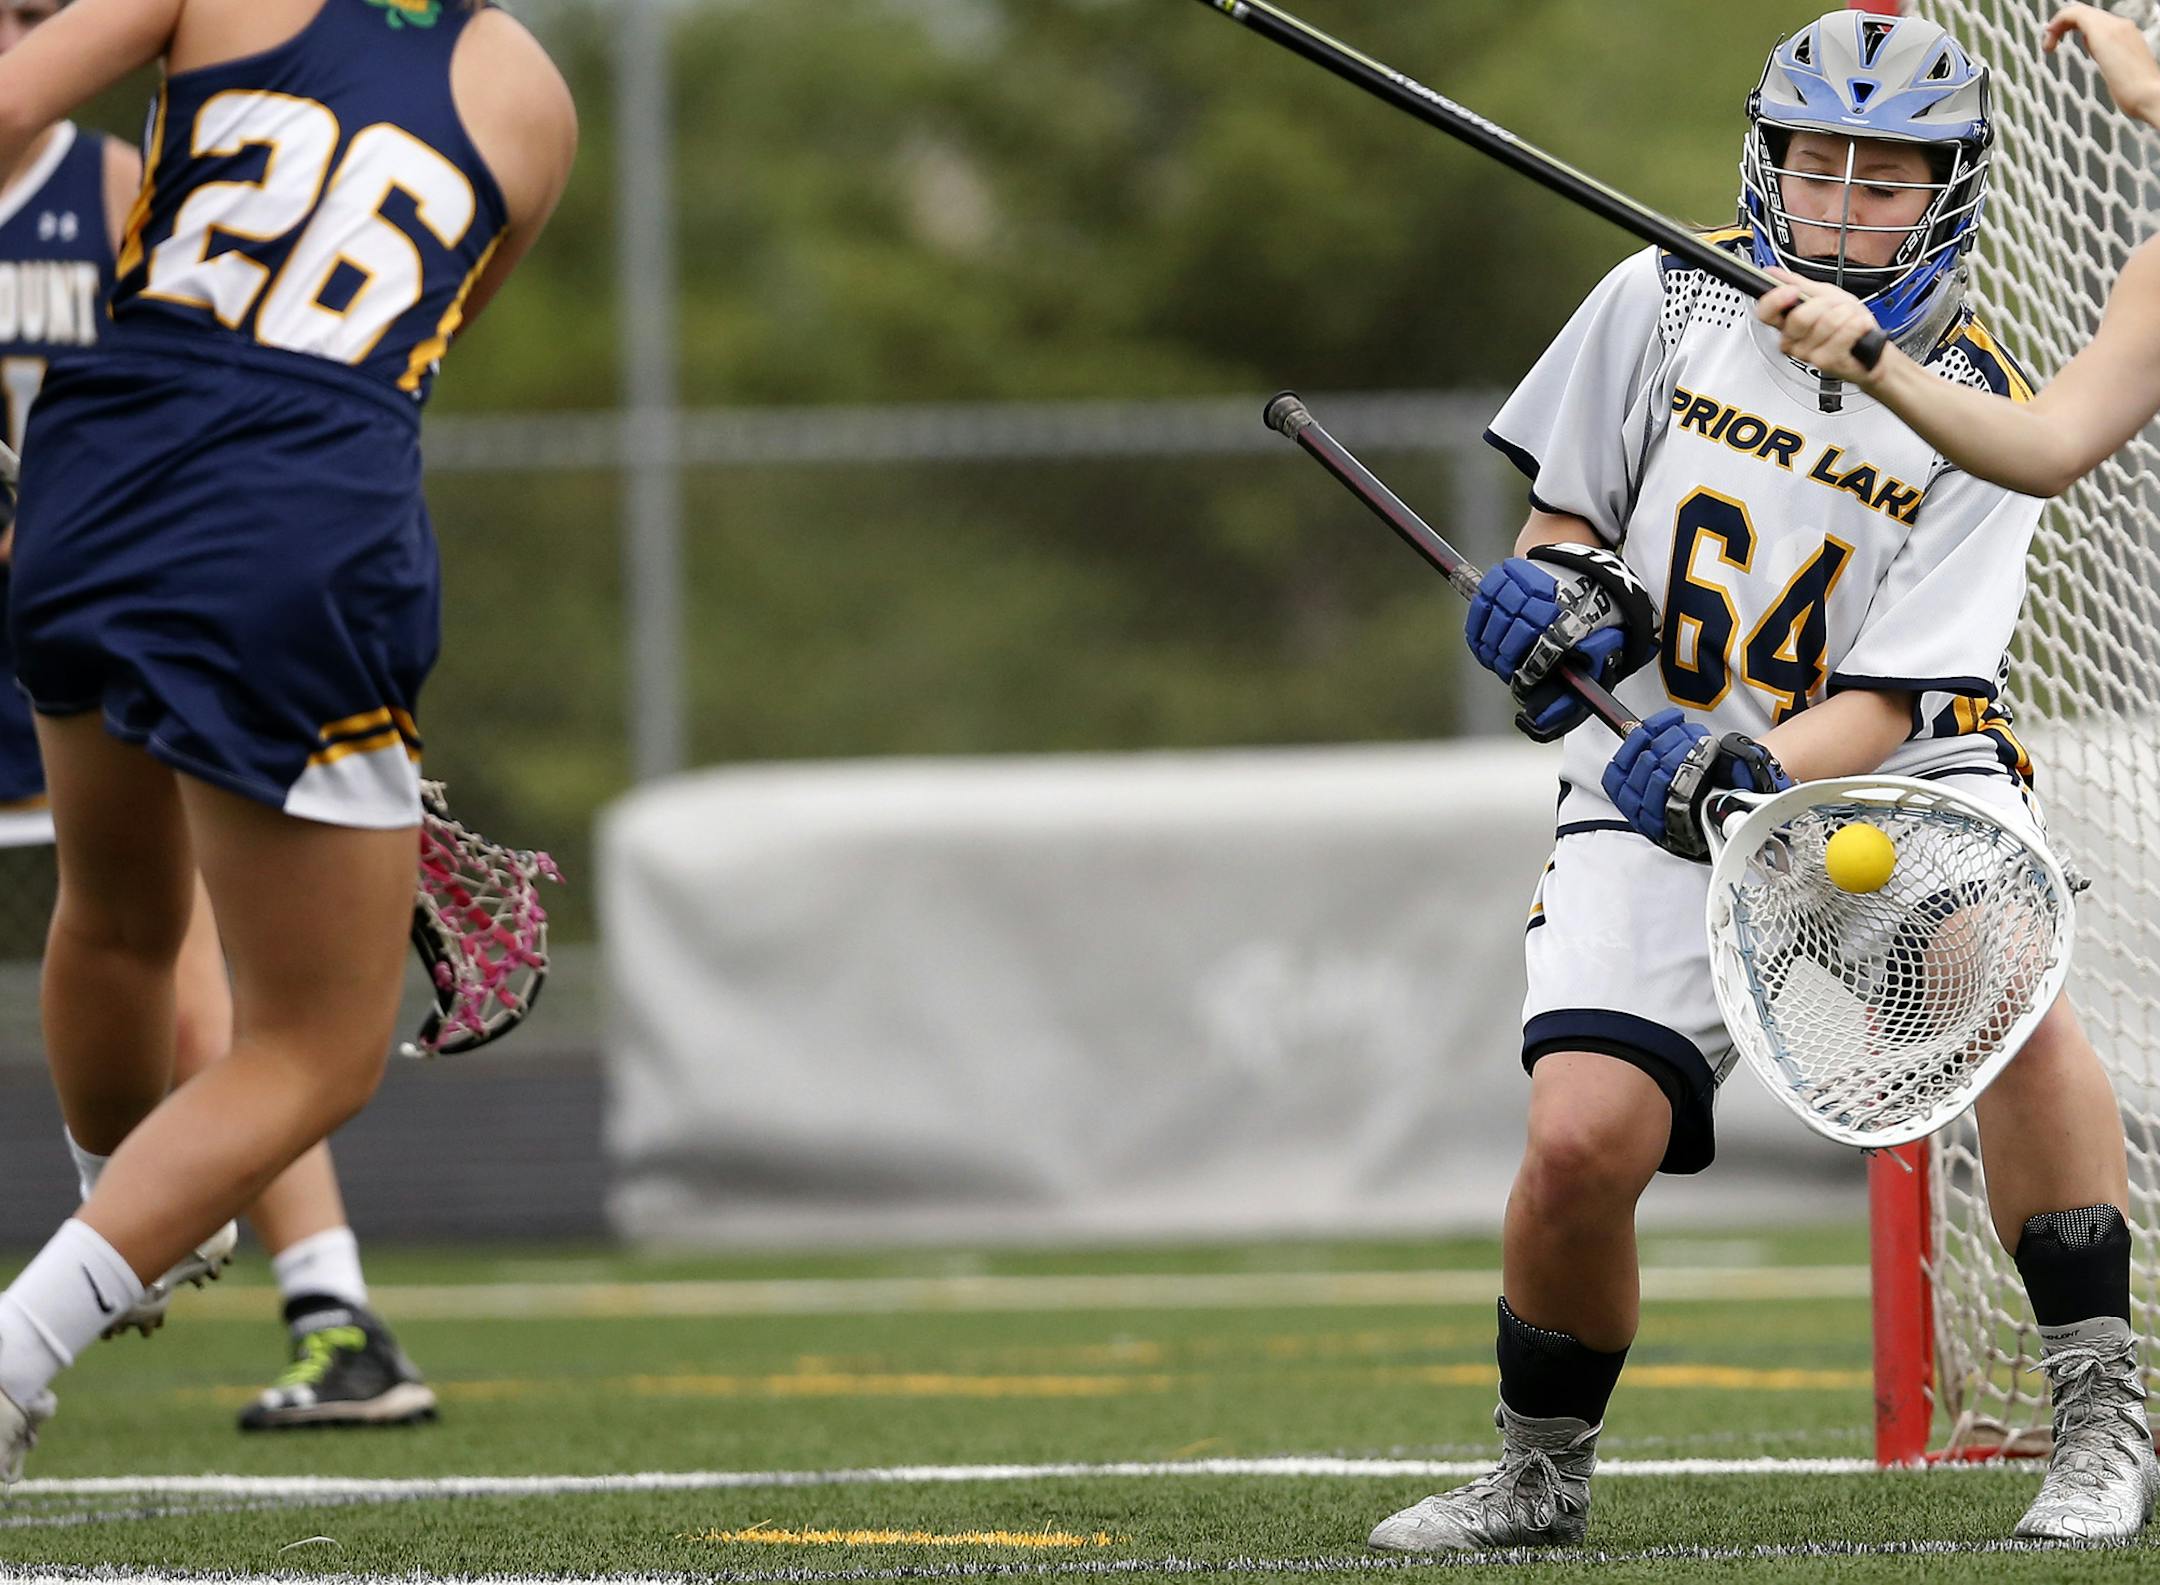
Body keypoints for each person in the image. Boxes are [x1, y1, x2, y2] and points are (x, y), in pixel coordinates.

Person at [1368, 11, 2152, 1552]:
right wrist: (1564, 611)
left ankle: (2101, 1415)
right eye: (1816, 162)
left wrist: (1741, 768)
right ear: (1767, 158)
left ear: (1951, 188)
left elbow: (1894, 696)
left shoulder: (1972, 398)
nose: (1842, 197)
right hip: (1650, 772)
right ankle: (1540, 1467)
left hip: (1888, 781)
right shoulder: (1659, 298)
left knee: (2009, 985)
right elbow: (1566, 529)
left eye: (1886, 174)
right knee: (1583, 1143)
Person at [0, 0, 575, 1481]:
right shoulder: (532, 94)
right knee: (315, 1049)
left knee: (118, 914)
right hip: (305, 508)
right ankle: (25, 1344)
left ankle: (114, 1206)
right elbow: (409, 348)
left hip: (97, 459)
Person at [1762, 4, 2160, 496]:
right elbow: (2051, 448)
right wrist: (1878, 364)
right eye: (1816, 176)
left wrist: (2151, 97)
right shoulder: (1674, 289)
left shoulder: (1979, 375)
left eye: (1883, 190)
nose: (1839, 213)